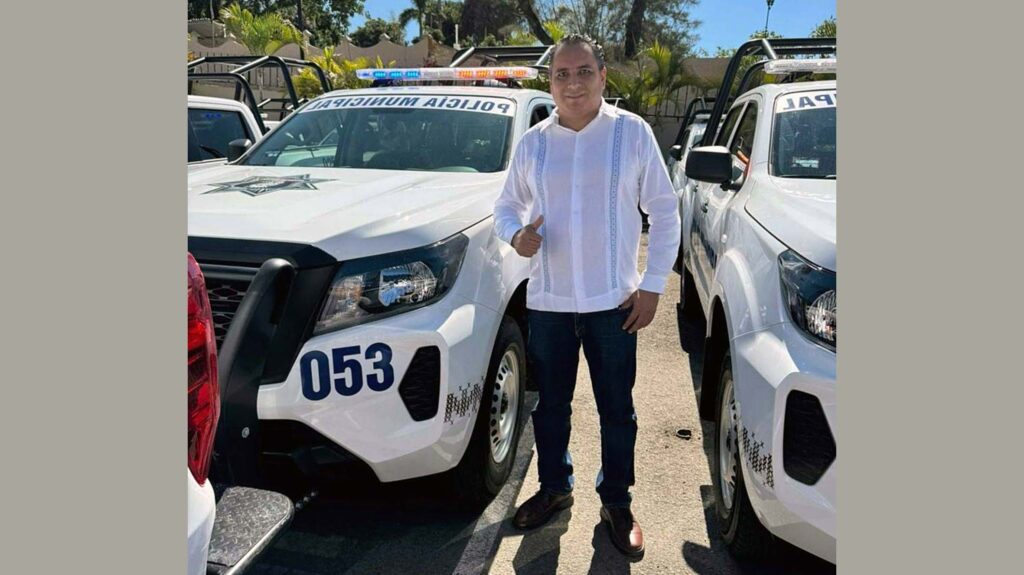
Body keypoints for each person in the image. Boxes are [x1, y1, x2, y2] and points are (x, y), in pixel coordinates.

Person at [492, 34, 681, 558]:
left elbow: (665, 211)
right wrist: (515, 234)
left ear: (602, 76)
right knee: (550, 407)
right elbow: (505, 206)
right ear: (550, 81)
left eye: (583, 72)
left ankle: (617, 502)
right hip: (550, 302)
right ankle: (554, 488)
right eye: (561, 74)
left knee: (617, 410)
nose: (572, 84)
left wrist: (653, 285)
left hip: (613, 304)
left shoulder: (631, 133)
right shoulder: (534, 143)